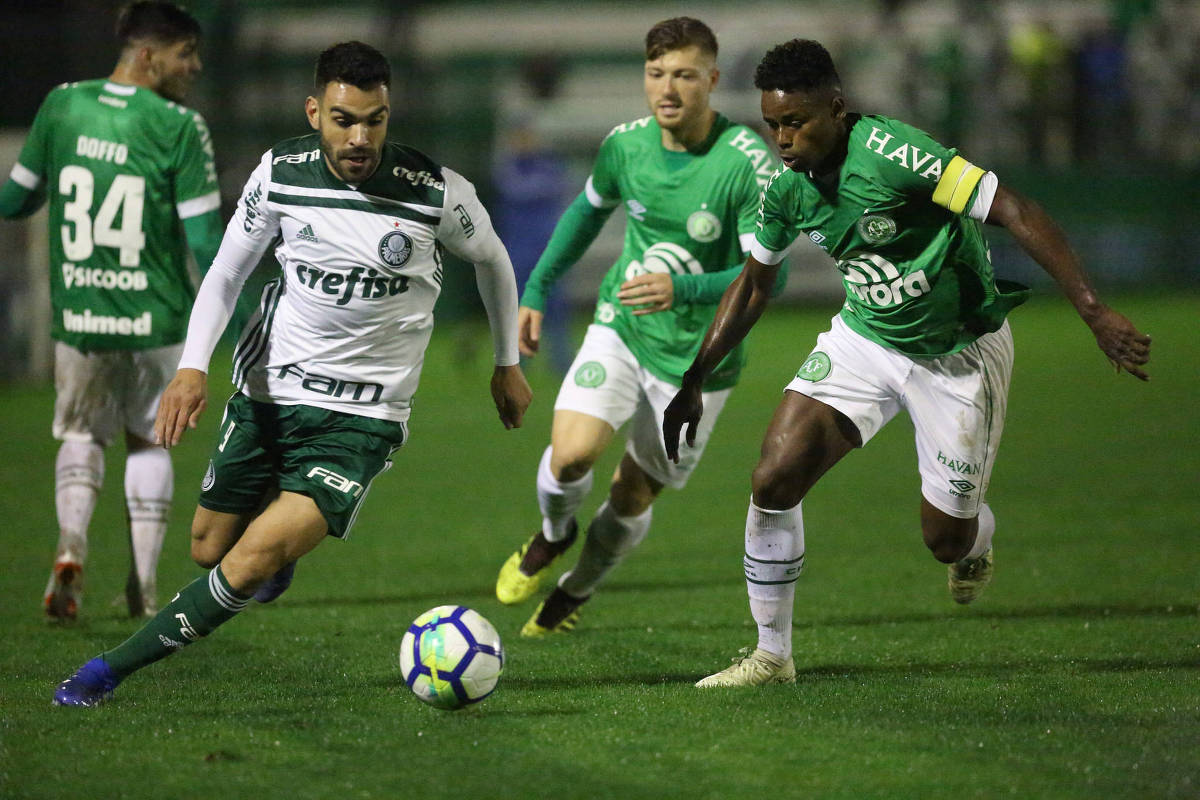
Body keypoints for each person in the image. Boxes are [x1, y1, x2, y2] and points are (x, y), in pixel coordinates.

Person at [51, 41, 531, 707]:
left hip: (364, 420)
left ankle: (106, 672)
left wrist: (507, 363)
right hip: (271, 391)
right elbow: (227, 272)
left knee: (247, 562)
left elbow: (495, 260)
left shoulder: (435, 192)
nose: (360, 136)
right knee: (207, 548)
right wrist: (192, 368)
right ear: (314, 111)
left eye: (375, 119)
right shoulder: (279, 173)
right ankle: (281, 553)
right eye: (343, 119)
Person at [663, 39, 1151, 687]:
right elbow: (754, 283)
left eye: (796, 122)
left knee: (945, 538)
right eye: (772, 123)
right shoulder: (784, 188)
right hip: (865, 341)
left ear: (837, 108)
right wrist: (694, 377)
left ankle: (975, 541)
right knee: (773, 478)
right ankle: (772, 656)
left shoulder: (898, 155)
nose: (782, 138)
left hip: (959, 354)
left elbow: (1014, 209)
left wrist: (1093, 311)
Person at [494, 17, 784, 637]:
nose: (667, 89)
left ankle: (578, 587)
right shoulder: (626, 144)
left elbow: (764, 278)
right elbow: (584, 213)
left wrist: (683, 288)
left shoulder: (748, 166)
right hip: (621, 326)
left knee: (630, 495)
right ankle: (552, 535)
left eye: (683, 75)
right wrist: (539, 287)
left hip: (701, 361)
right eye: (656, 75)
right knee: (571, 455)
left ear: (711, 78)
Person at [0, 2, 223, 621]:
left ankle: (72, 543)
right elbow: (206, 243)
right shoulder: (179, 126)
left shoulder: (62, 105)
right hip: (154, 321)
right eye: (186, 54)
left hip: (81, 317)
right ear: (148, 57)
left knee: (79, 433)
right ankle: (145, 586)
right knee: (149, 445)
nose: (195, 67)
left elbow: (15, 201)